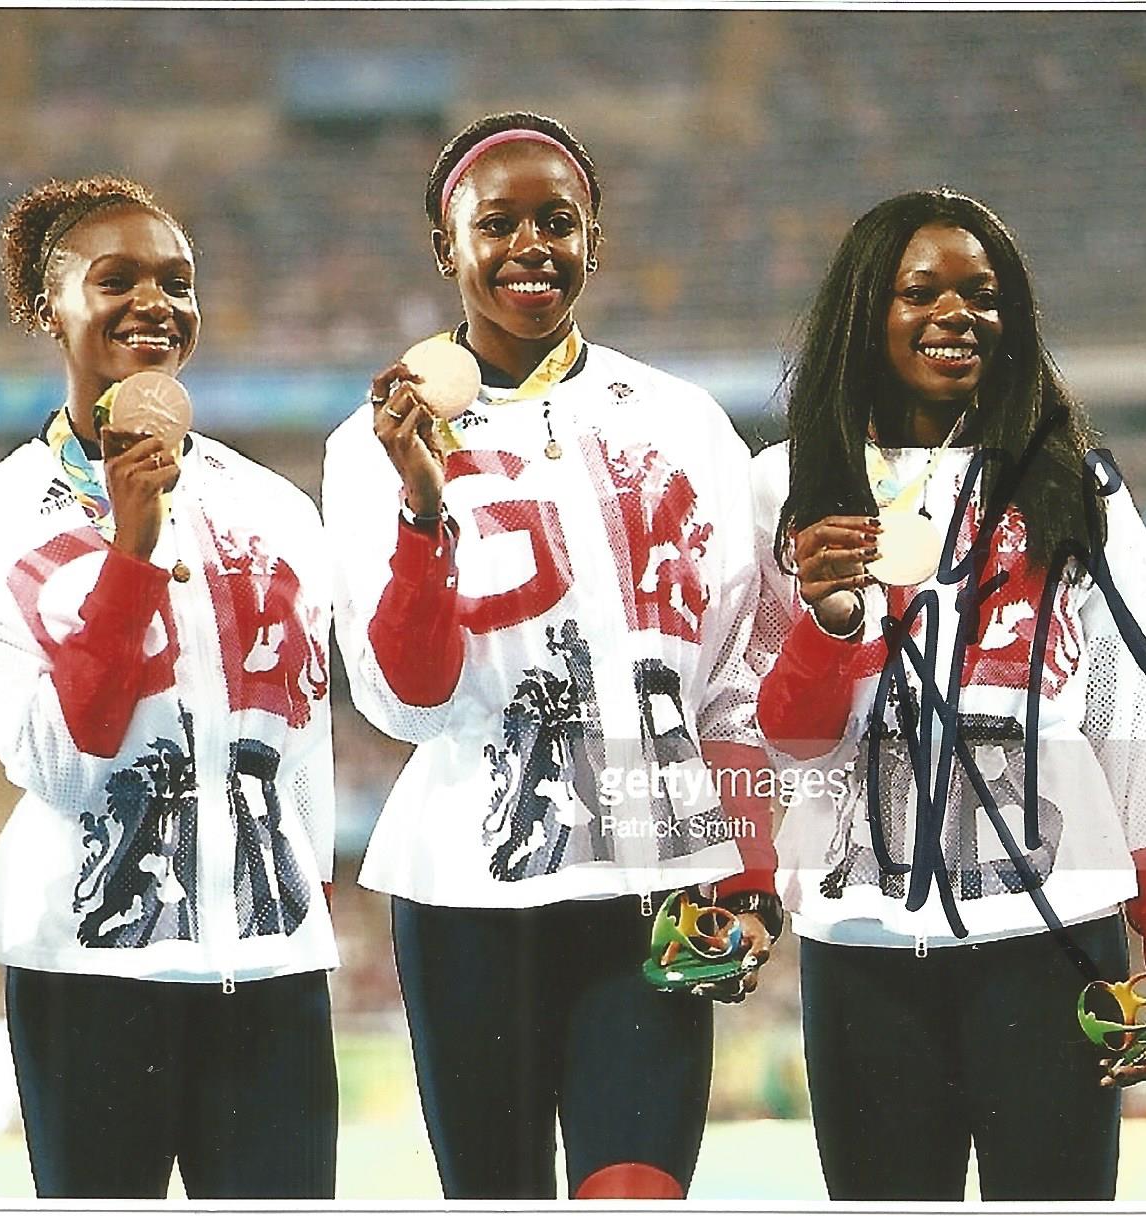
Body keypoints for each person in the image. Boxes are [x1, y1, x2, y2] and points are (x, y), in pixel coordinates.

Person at [322, 111, 781, 1201]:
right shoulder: (371, 444)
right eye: (498, 224)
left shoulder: (683, 421)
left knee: (637, 1191)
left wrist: (751, 873)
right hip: (471, 890)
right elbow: (404, 697)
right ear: (447, 248)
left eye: (557, 222)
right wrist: (421, 513)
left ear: (594, 238)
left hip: (654, 880)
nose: (530, 246)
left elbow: (734, 683)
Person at [751, 188, 1146, 1200]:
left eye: (985, 293)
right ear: (861, 312)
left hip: (1053, 948)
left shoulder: (1077, 489)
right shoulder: (786, 490)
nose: (956, 313)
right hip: (861, 947)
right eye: (919, 290)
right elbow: (776, 744)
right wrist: (828, 625)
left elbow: (1139, 717)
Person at [0, 176, 339, 1199]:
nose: (154, 302)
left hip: (270, 956)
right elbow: (60, 764)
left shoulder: (276, 507)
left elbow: (306, 744)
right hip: (89, 960)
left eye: (176, 282)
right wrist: (130, 554)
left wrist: (294, 897)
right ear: (45, 307)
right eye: (115, 280)